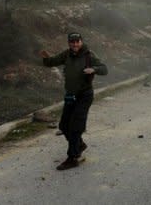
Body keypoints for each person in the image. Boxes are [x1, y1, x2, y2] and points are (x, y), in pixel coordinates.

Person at [40, 32, 108, 170]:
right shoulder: (67, 54)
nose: (75, 44)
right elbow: (53, 61)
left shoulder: (89, 55)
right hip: (71, 96)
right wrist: (46, 58)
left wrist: (93, 69)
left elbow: (104, 69)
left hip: (84, 95)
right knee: (64, 125)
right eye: (72, 42)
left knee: (75, 127)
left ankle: (73, 158)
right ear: (69, 43)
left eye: (77, 41)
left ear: (81, 42)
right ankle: (80, 145)